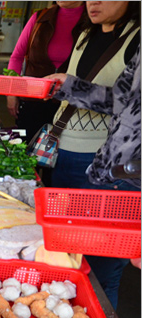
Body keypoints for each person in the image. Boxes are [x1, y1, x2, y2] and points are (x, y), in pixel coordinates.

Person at [46, 44, 140, 309]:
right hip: (110, 173)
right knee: (84, 265)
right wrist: (70, 85)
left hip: (132, 183)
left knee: (102, 275)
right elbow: (122, 100)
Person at [49, 1, 139, 190]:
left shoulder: (135, 38)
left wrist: (71, 87)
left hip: (98, 153)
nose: (93, 2)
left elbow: (127, 102)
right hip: (60, 144)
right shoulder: (85, 33)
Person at [6, 2, 86, 141]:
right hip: (33, 101)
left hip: (71, 104)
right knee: (26, 149)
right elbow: (17, 57)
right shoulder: (40, 18)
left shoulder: (93, 22)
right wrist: (11, 92)